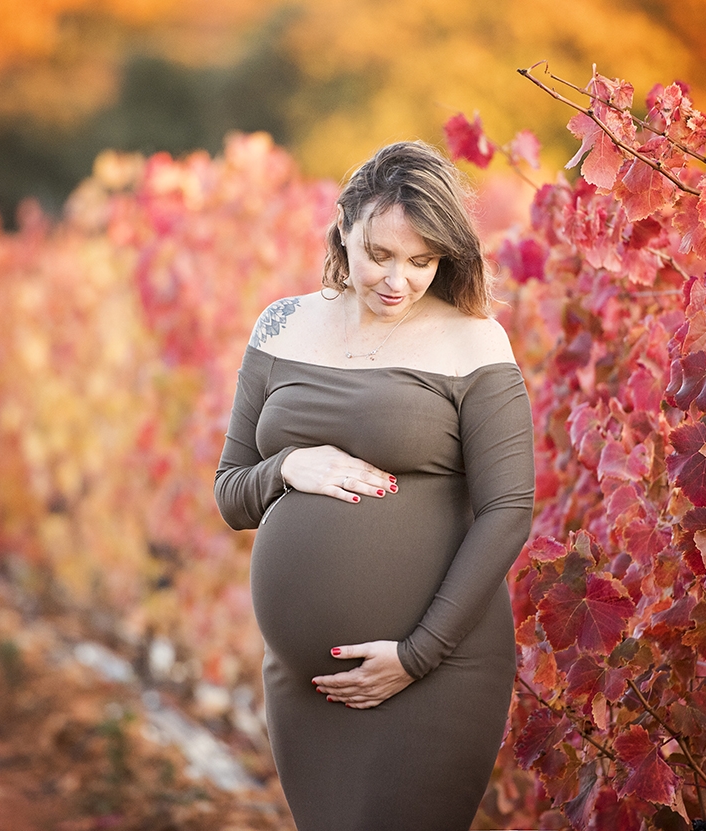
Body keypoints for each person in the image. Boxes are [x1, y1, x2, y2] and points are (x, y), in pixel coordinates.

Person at [214, 140, 535, 831]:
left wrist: (415, 655)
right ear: (343, 227)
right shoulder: (282, 326)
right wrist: (286, 468)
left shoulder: (472, 342)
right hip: (306, 685)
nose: (399, 280)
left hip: (433, 670)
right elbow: (230, 492)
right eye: (380, 254)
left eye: (422, 261)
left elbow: (508, 508)